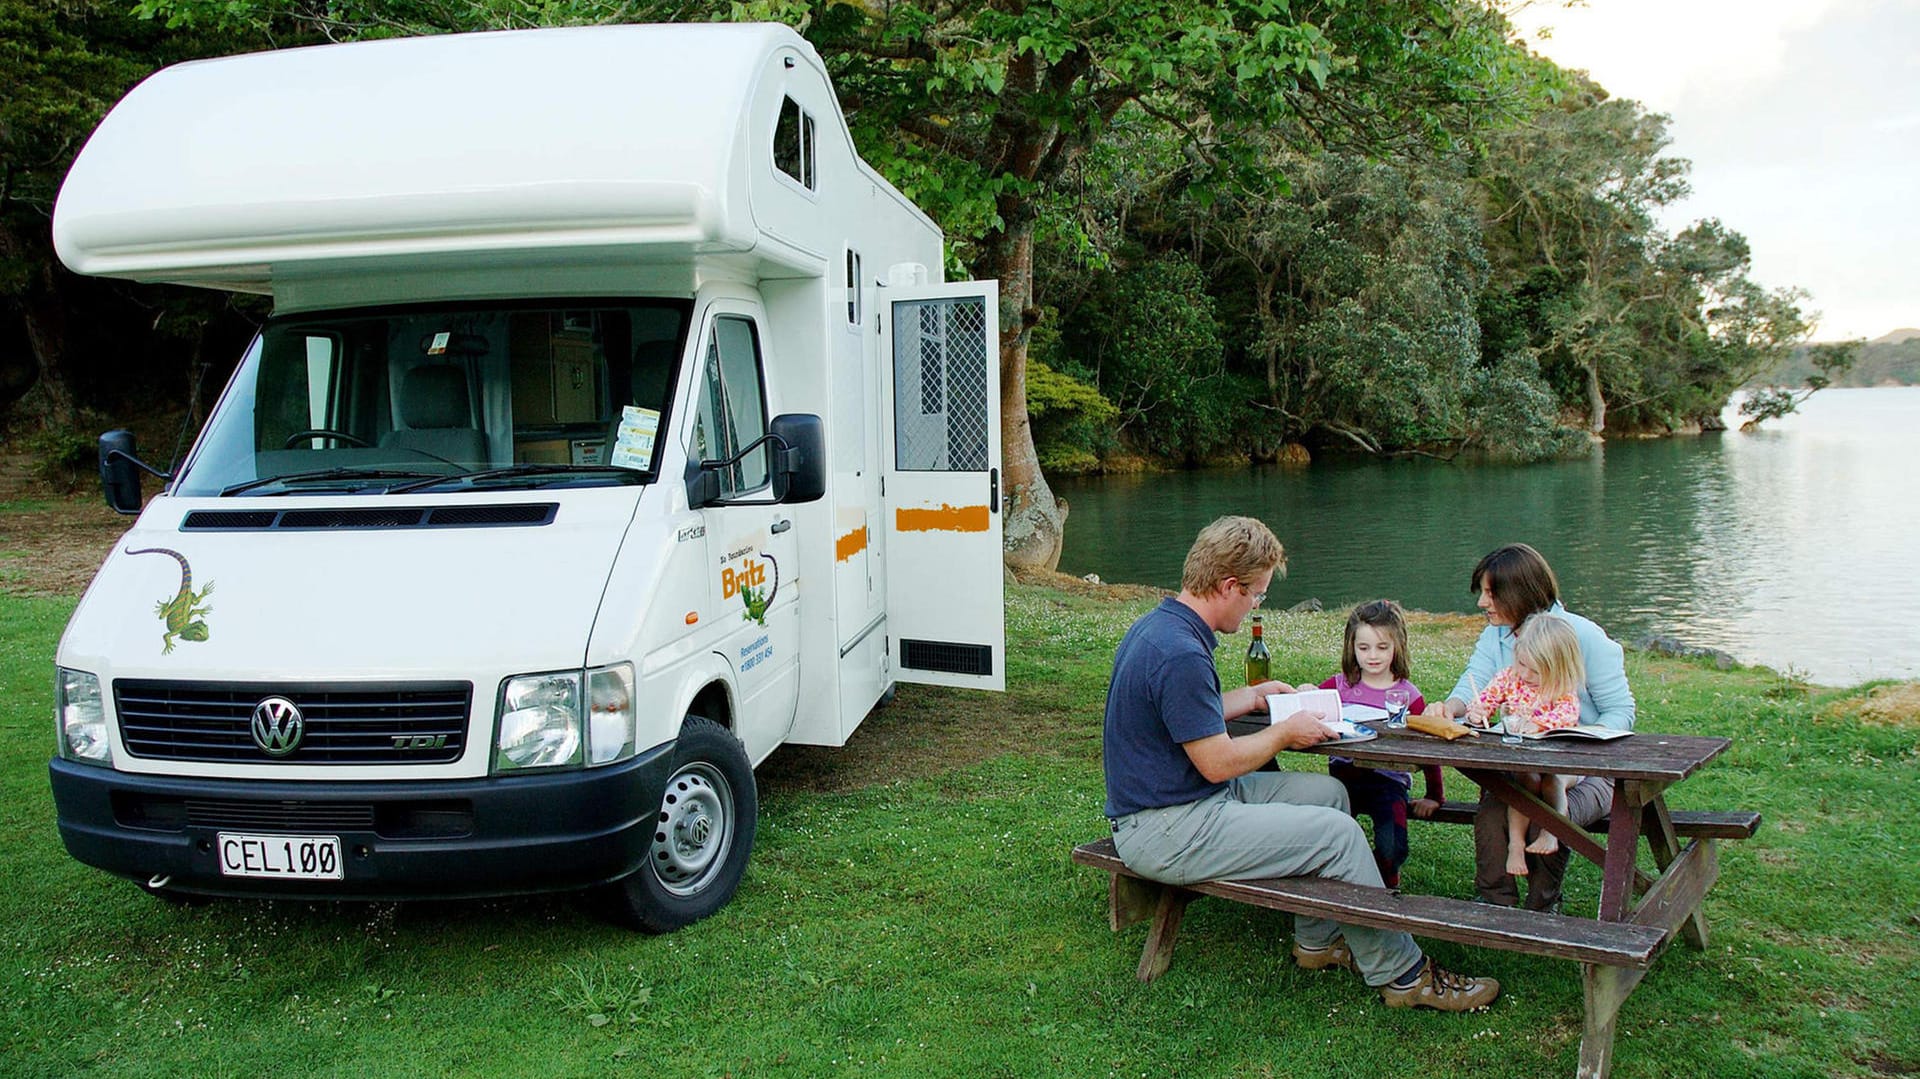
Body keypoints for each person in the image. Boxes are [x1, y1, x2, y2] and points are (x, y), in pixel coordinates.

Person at [1104, 516, 1499, 1011]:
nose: (1256, 605)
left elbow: (1181, 711)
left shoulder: (1163, 627)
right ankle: (1403, 976)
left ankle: (1316, 941)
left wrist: (1252, 695)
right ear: (1230, 586)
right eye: (1257, 595)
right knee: (1338, 836)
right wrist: (1285, 731)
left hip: (1179, 801)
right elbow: (1218, 763)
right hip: (1166, 826)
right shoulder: (1180, 652)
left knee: (1330, 796)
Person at [1420, 543, 1636, 912]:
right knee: (1491, 814)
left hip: (1586, 772)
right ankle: (1494, 904)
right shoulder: (1496, 634)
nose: (1481, 604)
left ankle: (1542, 908)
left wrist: (1569, 748)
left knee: (1544, 816)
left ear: (1519, 594)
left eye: (1491, 594)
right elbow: (1474, 681)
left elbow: (1620, 712)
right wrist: (1449, 708)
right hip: (1521, 763)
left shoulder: (1584, 637)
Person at [1314, 600, 1446, 888]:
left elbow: (1429, 747)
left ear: (1397, 645)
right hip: (1343, 779)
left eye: (1382, 647)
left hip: (1389, 782)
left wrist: (1435, 794)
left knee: (1393, 848)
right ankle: (1337, 887)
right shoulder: (1338, 686)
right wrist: (1305, 693)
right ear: (1352, 647)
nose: (1372, 656)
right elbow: (1308, 705)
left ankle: (1382, 886)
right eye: (1364, 648)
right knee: (1325, 839)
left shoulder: (1409, 695)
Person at [1463, 614, 1585, 878]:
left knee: (1553, 782)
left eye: (1536, 671)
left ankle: (1551, 832)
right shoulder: (1509, 678)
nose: (1526, 675)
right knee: (1524, 783)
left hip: (1561, 764)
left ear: (1557, 669)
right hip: (1524, 763)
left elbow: (1567, 716)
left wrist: (1537, 723)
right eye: (1522, 664)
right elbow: (1484, 700)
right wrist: (1477, 712)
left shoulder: (1561, 688)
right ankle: (1516, 845)